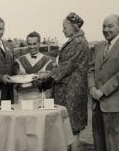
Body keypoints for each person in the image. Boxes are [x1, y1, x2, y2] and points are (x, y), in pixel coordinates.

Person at [37, 12, 90, 151]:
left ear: (74, 27)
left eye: (65, 27)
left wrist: (44, 77)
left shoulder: (78, 43)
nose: (63, 30)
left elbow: (66, 66)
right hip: (70, 91)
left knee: (71, 128)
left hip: (71, 92)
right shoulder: (76, 41)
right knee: (70, 128)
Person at [88, 14, 119, 151]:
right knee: (99, 144)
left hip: (114, 105)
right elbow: (91, 69)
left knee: (115, 145)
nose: (106, 29)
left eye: (110, 26)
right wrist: (92, 87)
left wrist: (102, 91)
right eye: (104, 26)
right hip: (96, 104)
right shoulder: (99, 46)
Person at [13, 31, 54, 104]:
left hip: (39, 98)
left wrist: (43, 80)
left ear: (39, 43)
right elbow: (15, 83)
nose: (32, 47)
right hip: (22, 98)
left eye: (34, 44)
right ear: (26, 44)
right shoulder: (20, 60)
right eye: (29, 44)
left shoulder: (47, 60)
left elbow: (50, 83)